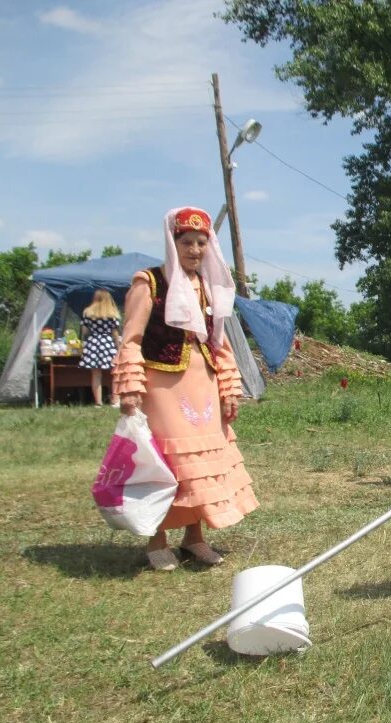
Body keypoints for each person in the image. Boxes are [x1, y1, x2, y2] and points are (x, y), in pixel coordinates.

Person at [114, 207, 258, 570]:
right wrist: (130, 387)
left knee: (200, 465)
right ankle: (157, 539)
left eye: (201, 243)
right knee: (167, 463)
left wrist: (228, 387)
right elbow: (130, 339)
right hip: (163, 386)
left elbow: (218, 343)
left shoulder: (209, 288)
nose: (195, 250)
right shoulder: (149, 283)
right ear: (172, 242)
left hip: (202, 385)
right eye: (187, 242)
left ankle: (194, 537)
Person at [79, 289, 121, 407]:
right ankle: (115, 400)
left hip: (93, 343)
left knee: (96, 374)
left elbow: (84, 331)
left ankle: (98, 402)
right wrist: (118, 348)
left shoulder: (87, 312)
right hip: (108, 343)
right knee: (115, 373)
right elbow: (115, 333)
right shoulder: (112, 313)